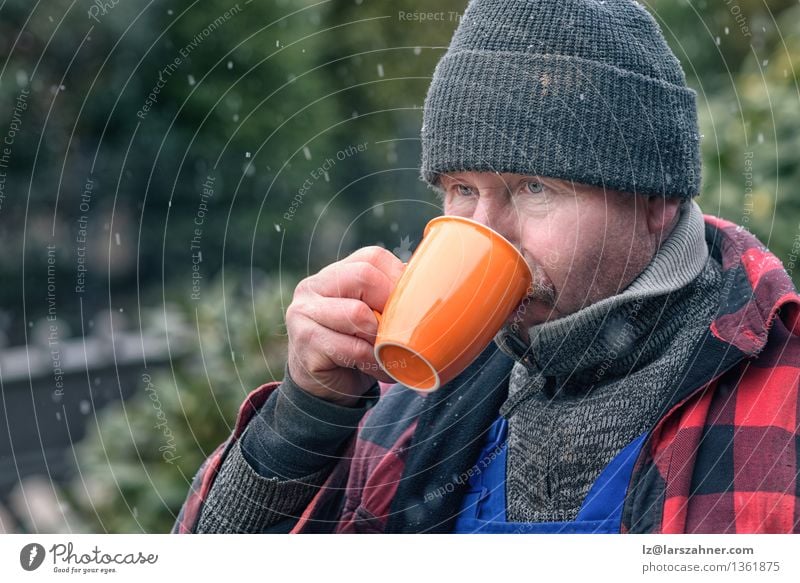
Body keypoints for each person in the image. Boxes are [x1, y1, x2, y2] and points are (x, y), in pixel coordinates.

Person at [174, 0, 800, 534]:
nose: (486, 231)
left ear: (655, 200)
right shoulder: (416, 390)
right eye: (462, 189)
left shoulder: (782, 396)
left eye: (533, 186)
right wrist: (305, 415)